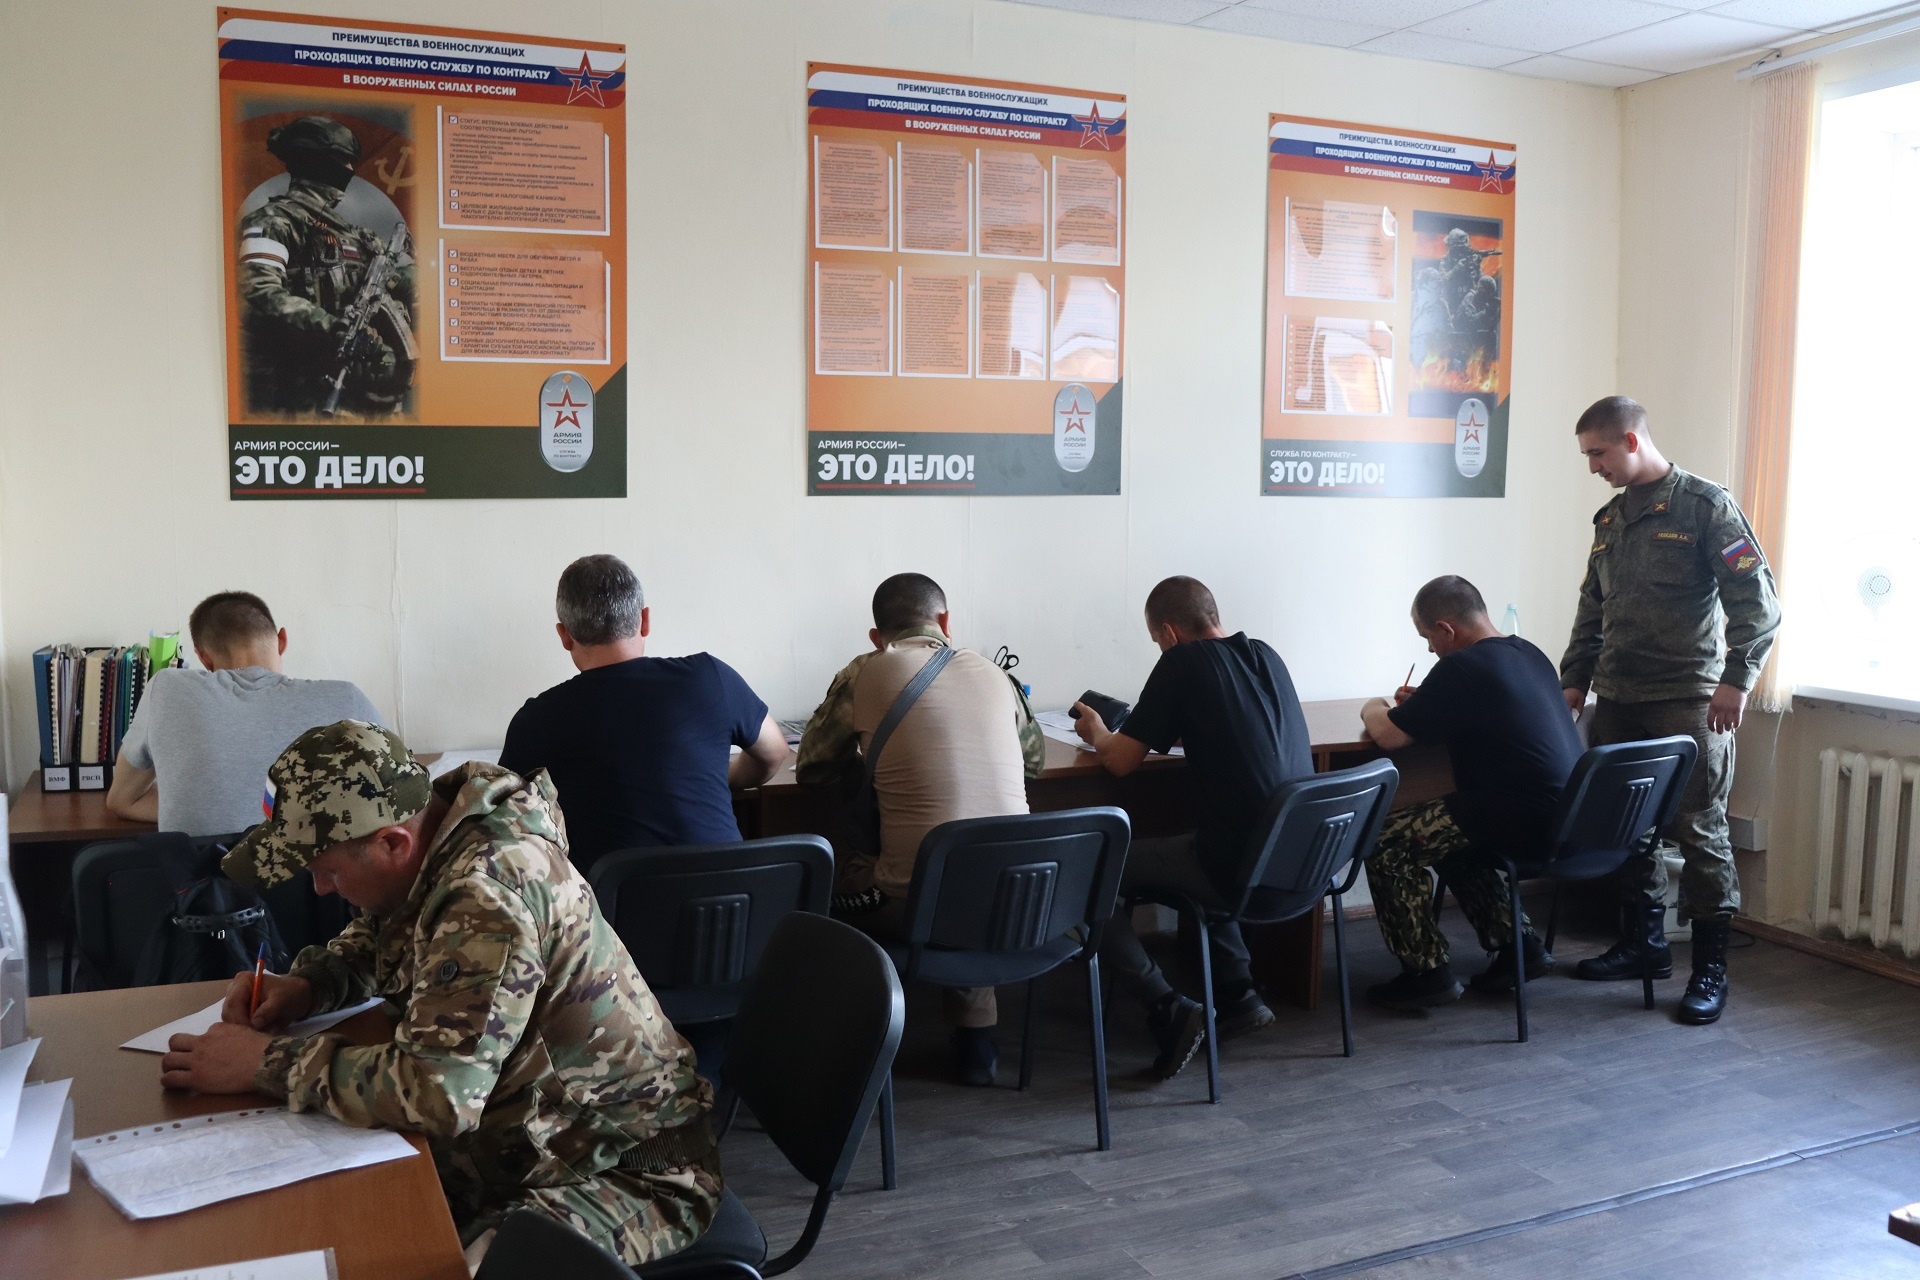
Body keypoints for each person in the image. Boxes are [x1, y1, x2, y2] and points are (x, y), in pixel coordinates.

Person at [158, 720, 720, 1267]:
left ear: (392, 843)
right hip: (532, 1142)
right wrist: (308, 986)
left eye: (327, 870)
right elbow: (385, 935)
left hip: (627, 1175)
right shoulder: (440, 839)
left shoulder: (486, 894)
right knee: (328, 1216)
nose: (321, 887)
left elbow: (440, 1094)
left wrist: (267, 1063)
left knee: (420, 1259)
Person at [1560, 396, 1780, 1025]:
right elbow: (1592, 609)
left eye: (1599, 453)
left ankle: (1709, 969)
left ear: (1631, 441)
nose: (1594, 467)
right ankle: (1644, 944)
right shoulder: (1610, 519)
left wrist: (1737, 681)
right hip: (1619, 701)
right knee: (1628, 830)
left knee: (1700, 831)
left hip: (1689, 703)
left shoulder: (1705, 507)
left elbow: (1758, 604)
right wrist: (1574, 681)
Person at [796, 572, 1043, 1087]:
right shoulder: (994, 675)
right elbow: (1034, 762)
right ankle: (977, 1040)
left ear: (876, 636)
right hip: (1017, 898)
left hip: (912, 904)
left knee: (826, 882)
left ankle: (847, 1047)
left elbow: (814, 766)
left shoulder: (866, 670)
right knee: (965, 852)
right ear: (945, 621)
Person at [1072, 576, 1310, 1080]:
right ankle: (1239, 995)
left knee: (1087, 871)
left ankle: (1165, 1005)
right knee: (1210, 834)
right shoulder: (1266, 655)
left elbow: (1119, 762)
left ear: (1169, 632)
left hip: (1236, 866)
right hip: (1295, 864)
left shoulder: (1181, 662)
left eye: (1156, 640)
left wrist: (1097, 731)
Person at [1357, 576, 1583, 1010]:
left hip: (1523, 817)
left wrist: (1374, 705)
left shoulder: (1461, 667)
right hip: (1570, 818)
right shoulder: (1529, 653)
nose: (1429, 649)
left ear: (1447, 629)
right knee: (1451, 840)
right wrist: (1428, 701)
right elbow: (1483, 705)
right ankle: (1520, 947)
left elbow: (1388, 735)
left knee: (1383, 840)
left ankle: (1426, 974)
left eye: (1427, 637)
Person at [500, 555, 788, 877]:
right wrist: (724, 777)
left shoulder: (536, 720)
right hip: (735, 900)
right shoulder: (711, 678)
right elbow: (775, 752)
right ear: (645, 620)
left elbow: (501, 821)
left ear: (565, 636)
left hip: (610, 908)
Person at [106, 591, 384, 836]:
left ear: (204, 658)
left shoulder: (166, 689)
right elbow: (396, 797)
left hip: (205, 877)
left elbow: (122, 801)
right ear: (282, 641)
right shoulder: (347, 699)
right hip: (315, 877)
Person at [238, 115, 416, 416]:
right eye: (343, 161)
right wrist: (334, 329)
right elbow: (259, 291)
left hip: (373, 398)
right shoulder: (273, 222)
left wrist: (398, 280)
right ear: (318, 163)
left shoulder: (356, 235)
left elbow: (410, 290)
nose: (350, 170)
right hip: (305, 396)